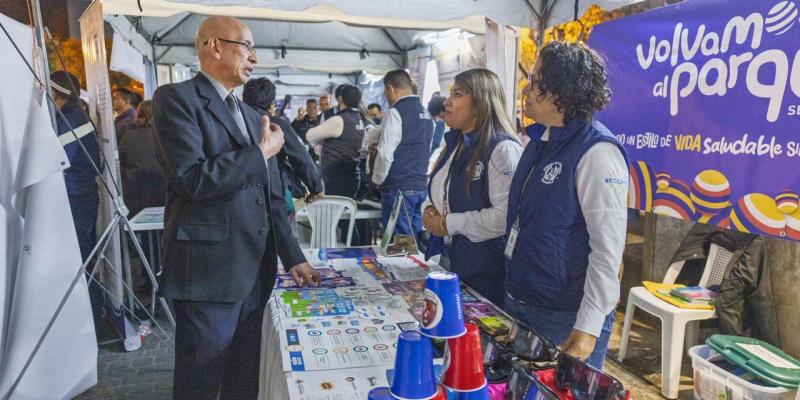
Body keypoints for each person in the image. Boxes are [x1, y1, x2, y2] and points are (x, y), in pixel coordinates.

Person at [152, 16, 320, 400]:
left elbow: (272, 196)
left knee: (246, 379)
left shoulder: (251, 116)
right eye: (246, 46)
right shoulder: (176, 99)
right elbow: (191, 178)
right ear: (214, 46)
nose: (254, 58)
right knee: (201, 380)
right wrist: (260, 153)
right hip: (209, 273)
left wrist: (293, 256)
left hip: (255, 270)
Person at [504, 41, 629, 370]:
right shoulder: (541, 140)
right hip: (524, 300)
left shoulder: (597, 153)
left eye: (535, 80)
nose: (526, 88)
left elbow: (608, 251)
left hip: (565, 315)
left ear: (559, 89)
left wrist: (587, 327)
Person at [422, 69, 522, 306]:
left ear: (479, 104)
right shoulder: (455, 142)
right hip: (454, 261)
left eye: (457, 94)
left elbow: (505, 217)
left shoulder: (502, 149)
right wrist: (428, 210)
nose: (447, 102)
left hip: (487, 273)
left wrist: (448, 223)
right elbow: (438, 190)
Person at [50, 70, 103, 315]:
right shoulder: (75, 115)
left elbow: (58, 161)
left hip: (76, 196)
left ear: (56, 91)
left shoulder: (69, 119)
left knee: (80, 256)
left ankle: (90, 313)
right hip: (82, 193)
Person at [242, 77, 324, 208]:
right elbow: (300, 156)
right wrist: (316, 188)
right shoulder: (276, 124)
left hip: (241, 194)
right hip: (274, 192)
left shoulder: (236, 123)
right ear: (272, 103)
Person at [372, 70, 434, 239]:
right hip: (420, 187)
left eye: (386, 93)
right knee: (414, 244)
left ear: (390, 89)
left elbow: (385, 154)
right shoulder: (427, 114)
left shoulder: (395, 112)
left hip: (398, 189)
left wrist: (377, 179)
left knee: (397, 245)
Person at [118, 100, 166, 217]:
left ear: (139, 115)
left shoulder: (128, 136)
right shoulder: (167, 136)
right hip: (164, 191)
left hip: (136, 192)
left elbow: (121, 162)